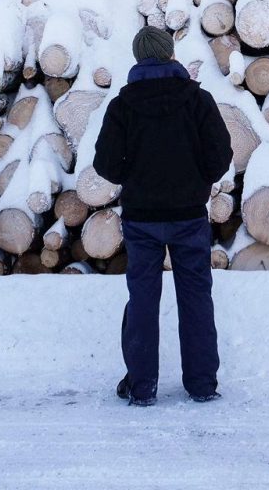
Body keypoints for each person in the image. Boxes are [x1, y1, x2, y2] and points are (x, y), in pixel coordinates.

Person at [92, 25, 233, 407]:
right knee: (196, 297)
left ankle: (141, 387)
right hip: (189, 217)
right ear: (171, 54)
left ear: (139, 58)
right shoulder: (197, 100)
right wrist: (197, 180)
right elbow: (220, 156)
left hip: (142, 220)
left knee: (142, 299)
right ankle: (202, 384)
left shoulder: (123, 106)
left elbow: (106, 164)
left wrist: (134, 175)